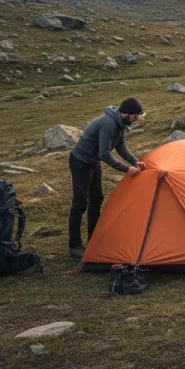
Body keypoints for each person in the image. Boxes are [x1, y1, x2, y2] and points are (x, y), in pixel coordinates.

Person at [68, 97, 145, 259]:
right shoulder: (108, 124)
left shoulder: (120, 124)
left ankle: (94, 239)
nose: (136, 119)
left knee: (97, 198)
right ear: (125, 113)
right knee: (80, 203)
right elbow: (104, 154)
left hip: (93, 162)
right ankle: (74, 245)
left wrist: (135, 162)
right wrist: (126, 169)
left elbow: (120, 145)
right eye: (135, 116)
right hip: (81, 162)